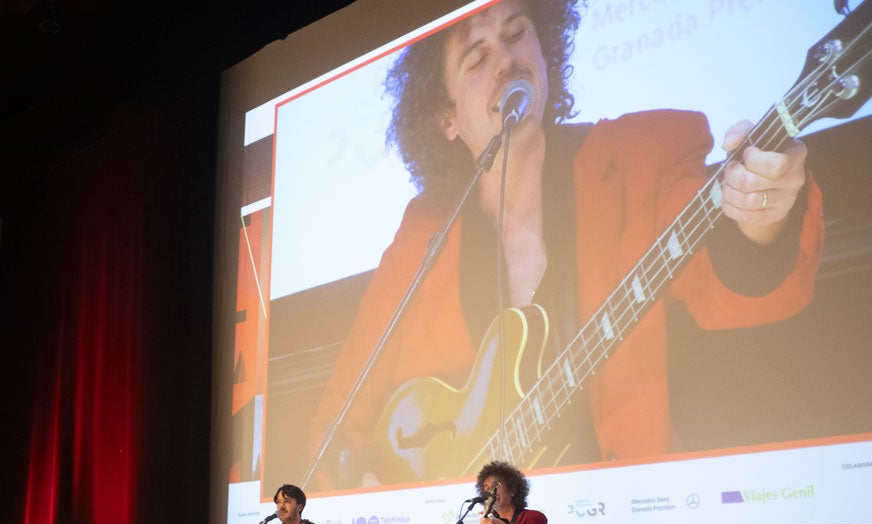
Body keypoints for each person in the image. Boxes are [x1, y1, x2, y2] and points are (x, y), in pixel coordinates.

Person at [307, 0, 823, 489]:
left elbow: (729, 283)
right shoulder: (421, 235)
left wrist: (761, 216)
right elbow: (336, 425)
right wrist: (364, 488)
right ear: (445, 117)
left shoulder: (640, 155)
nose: (507, 60)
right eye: (477, 57)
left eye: (517, 33)